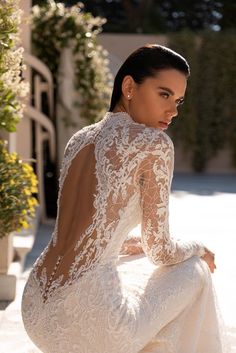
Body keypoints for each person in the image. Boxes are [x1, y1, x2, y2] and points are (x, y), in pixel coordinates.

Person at [22, 44, 228, 353]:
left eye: (178, 100)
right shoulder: (154, 144)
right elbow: (161, 250)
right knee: (194, 271)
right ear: (129, 86)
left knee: (139, 264)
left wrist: (142, 248)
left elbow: (93, 236)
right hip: (91, 321)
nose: (173, 111)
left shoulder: (79, 140)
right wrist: (199, 248)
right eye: (164, 94)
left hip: (36, 307)